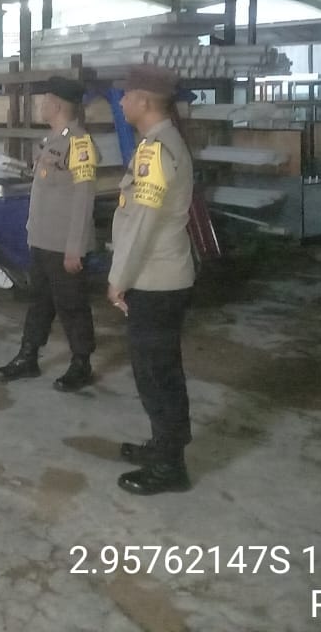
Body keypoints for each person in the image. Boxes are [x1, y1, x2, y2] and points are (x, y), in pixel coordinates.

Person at [107, 64, 197, 496]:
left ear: (144, 101)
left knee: (156, 375)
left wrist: (118, 279)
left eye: (126, 96)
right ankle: (164, 446)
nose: (122, 102)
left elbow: (141, 224)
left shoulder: (154, 152)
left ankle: (170, 467)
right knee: (160, 370)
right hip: (162, 276)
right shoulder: (161, 143)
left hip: (155, 280)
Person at [0, 76, 98, 391]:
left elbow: (84, 198)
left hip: (64, 243)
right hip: (42, 240)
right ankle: (28, 356)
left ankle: (81, 363)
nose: (40, 105)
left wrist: (75, 247)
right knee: (39, 302)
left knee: (72, 305)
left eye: (44, 100)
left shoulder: (79, 144)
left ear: (57, 105)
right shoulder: (52, 140)